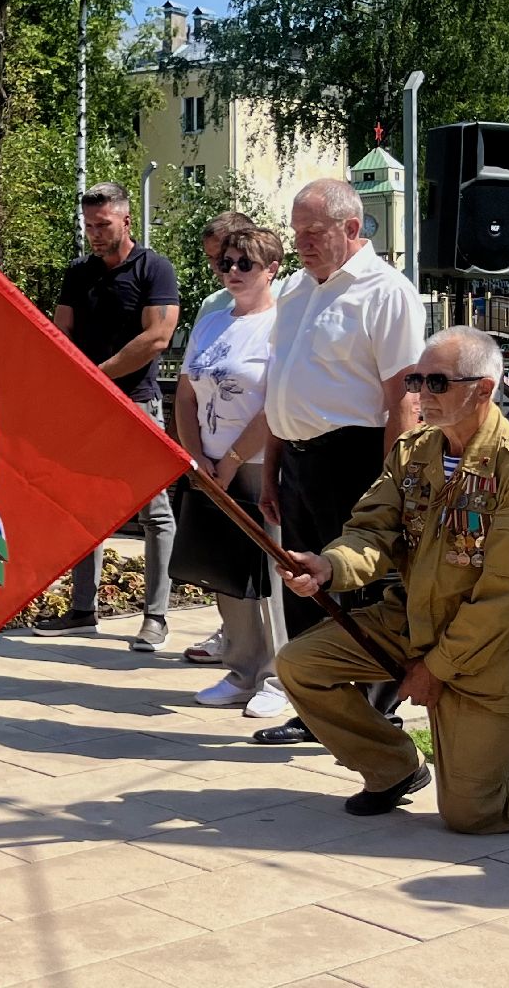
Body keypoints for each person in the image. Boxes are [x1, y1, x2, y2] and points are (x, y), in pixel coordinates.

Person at [275, 326, 509, 828]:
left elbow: (507, 597)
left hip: (490, 650)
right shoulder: (414, 451)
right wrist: (330, 566)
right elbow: (372, 531)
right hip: (410, 619)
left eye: (437, 382)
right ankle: (393, 768)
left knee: (474, 813)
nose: (421, 392)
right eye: (417, 380)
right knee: (300, 663)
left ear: (483, 390)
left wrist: (436, 669)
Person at [254, 178, 425, 746]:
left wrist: (393, 484)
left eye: (313, 232)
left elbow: (402, 397)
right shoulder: (297, 291)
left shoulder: (386, 291)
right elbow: (281, 381)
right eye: (297, 231)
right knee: (305, 584)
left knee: (359, 584)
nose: (301, 242)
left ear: (351, 228)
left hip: (355, 458)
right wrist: (274, 464)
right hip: (298, 460)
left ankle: (376, 709)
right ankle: (316, 707)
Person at [34, 182, 179, 651]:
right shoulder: (79, 273)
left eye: (103, 225)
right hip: (87, 407)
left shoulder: (155, 269)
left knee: (154, 512)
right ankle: (82, 610)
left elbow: (157, 336)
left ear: (126, 220)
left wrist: (100, 373)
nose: (95, 235)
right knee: (83, 508)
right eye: (89, 226)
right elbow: (61, 332)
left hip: (137, 402)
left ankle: (155, 616)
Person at [174, 227, 289, 718]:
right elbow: (184, 391)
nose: (233, 272)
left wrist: (233, 460)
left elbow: (276, 403)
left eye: (246, 264)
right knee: (227, 572)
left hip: (261, 464)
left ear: (272, 270)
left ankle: (281, 678)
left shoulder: (282, 325)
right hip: (210, 467)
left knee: (276, 575)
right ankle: (243, 668)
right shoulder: (212, 320)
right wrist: (196, 457)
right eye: (226, 263)